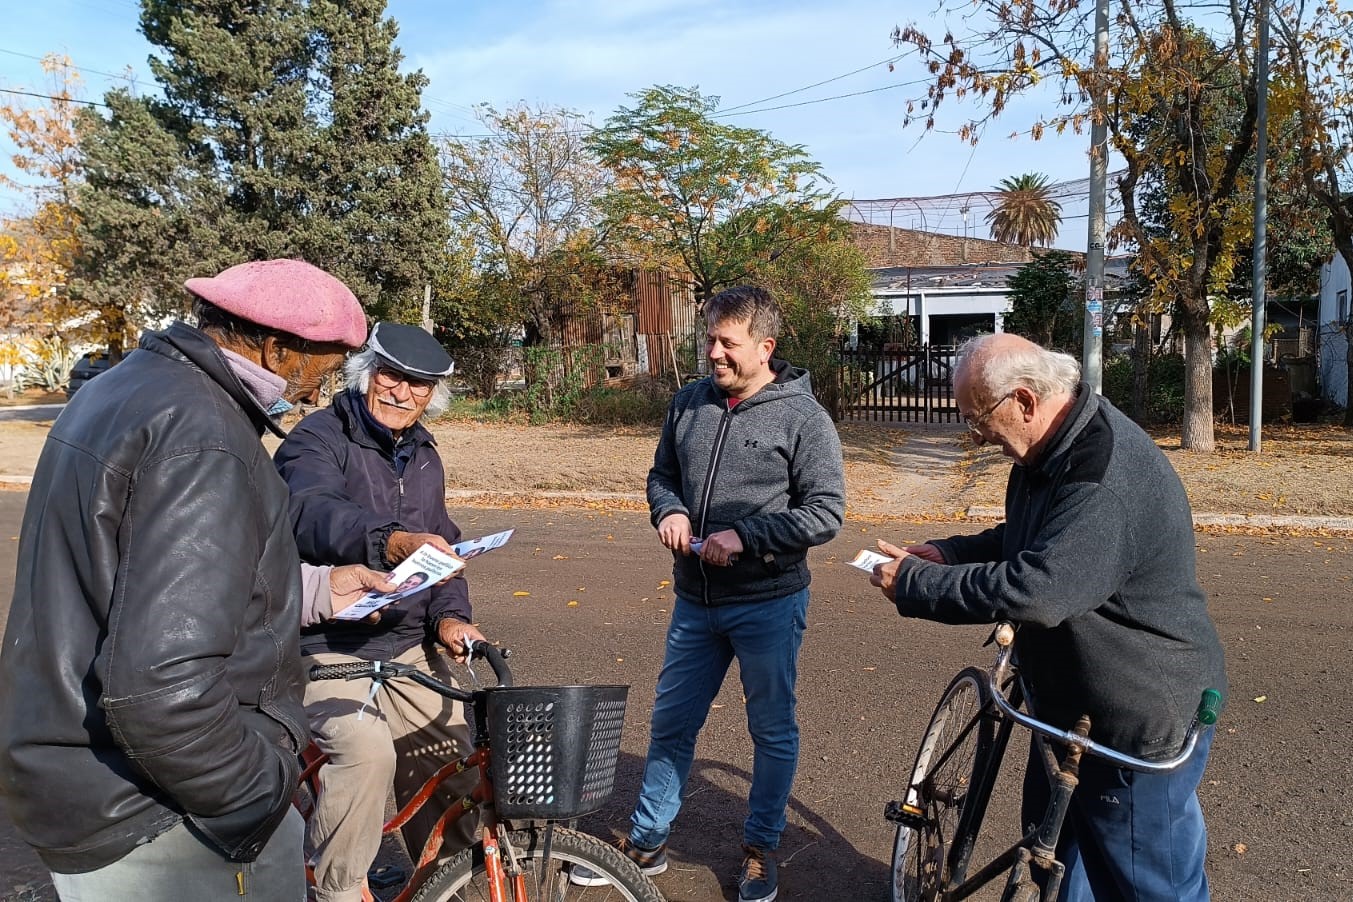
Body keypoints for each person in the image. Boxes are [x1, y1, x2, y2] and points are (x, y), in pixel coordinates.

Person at [0, 259, 377, 901]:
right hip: (154, 808)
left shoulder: (124, 388)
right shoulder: (207, 435)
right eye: (328, 362)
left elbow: (131, 576)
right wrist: (258, 793)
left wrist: (315, 590)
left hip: (82, 772)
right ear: (276, 344)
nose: (323, 388)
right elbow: (161, 692)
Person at [870, 333, 1228, 902]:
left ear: (1025, 401)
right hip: (1069, 704)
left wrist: (918, 584)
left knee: (1150, 887)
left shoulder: (1101, 476)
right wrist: (951, 554)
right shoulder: (1051, 446)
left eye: (977, 417)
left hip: (1131, 718)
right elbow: (1035, 541)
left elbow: (1040, 588)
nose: (976, 434)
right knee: (1057, 860)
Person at [576, 286, 845, 902]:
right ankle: (647, 842)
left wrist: (745, 536)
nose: (714, 352)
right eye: (709, 340)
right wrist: (667, 511)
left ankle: (759, 848)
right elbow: (662, 475)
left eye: (729, 343)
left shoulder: (804, 418)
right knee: (671, 724)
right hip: (695, 602)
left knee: (771, 731)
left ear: (765, 348)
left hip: (769, 601)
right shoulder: (689, 402)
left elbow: (825, 513)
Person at [273, 321, 484, 902]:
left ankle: (451, 882)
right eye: (390, 376)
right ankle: (338, 889)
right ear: (367, 373)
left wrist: (448, 617)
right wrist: (387, 541)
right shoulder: (315, 440)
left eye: (418, 386)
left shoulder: (424, 455)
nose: (401, 393)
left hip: (407, 645)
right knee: (366, 754)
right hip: (322, 646)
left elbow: (440, 546)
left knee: (452, 754)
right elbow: (312, 513)